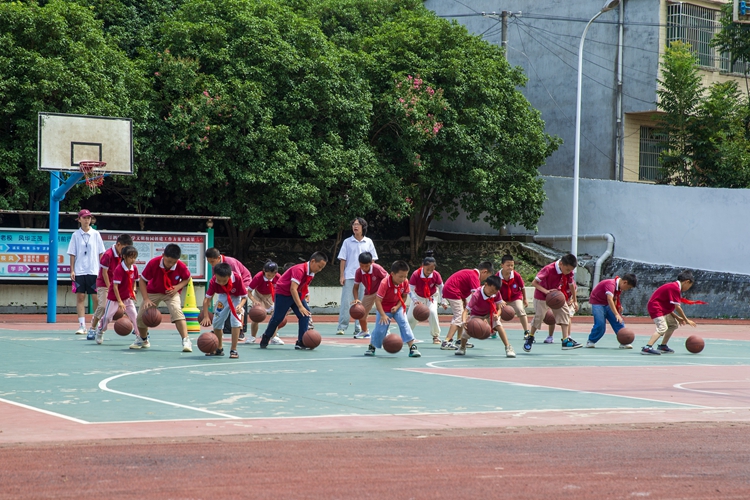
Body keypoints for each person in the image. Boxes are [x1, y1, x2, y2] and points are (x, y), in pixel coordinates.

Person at [259, 252, 328, 350]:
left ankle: (301, 342)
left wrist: (304, 298)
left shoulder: (312, 273)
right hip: (283, 293)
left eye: (322, 268)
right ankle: (266, 336)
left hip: (296, 293)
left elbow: (303, 286)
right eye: (319, 266)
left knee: (305, 315)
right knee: (278, 318)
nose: (319, 270)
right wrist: (300, 306)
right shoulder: (299, 269)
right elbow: (292, 289)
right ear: (313, 261)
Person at [132, 243, 193, 352]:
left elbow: (187, 279)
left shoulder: (181, 266)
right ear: (163, 255)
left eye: (174, 262)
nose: (171, 264)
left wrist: (177, 287)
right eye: (169, 261)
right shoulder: (153, 263)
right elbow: (142, 280)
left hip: (171, 292)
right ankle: (143, 339)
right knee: (141, 316)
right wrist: (146, 299)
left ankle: (186, 340)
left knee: (177, 311)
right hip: (153, 291)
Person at [364, 260, 421, 358]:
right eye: (400, 276)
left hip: (397, 307)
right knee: (380, 329)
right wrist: (383, 315)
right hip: (384, 308)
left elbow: (404, 297)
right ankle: (372, 346)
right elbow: (378, 301)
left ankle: (412, 347)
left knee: (404, 323)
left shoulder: (405, 282)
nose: (403, 279)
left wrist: (397, 307)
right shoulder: (384, 283)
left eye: (405, 276)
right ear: (392, 274)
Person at [524, 254, 580, 352]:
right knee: (539, 317)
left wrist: (575, 300)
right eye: (567, 270)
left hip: (556, 296)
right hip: (541, 295)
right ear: (561, 264)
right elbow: (534, 283)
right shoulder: (548, 269)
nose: (569, 272)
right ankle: (530, 337)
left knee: (565, 313)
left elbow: (571, 285)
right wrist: (546, 291)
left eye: (570, 270)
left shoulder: (569, 271)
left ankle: (565, 340)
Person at [336, 218, 378, 336]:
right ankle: (342, 327)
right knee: (346, 302)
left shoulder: (368, 242)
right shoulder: (347, 242)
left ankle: (359, 328)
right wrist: (342, 275)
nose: (355, 226)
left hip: (365, 277)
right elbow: (343, 259)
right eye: (354, 224)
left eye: (357, 224)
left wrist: (371, 277)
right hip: (350, 275)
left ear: (363, 227)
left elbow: (373, 260)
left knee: (362, 303)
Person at [439, 262, 495, 350]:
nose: (485, 279)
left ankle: (460, 340)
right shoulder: (474, 277)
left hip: (452, 290)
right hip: (452, 291)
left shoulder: (471, 273)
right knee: (459, 317)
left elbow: (460, 284)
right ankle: (446, 341)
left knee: (462, 316)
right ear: (484, 271)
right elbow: (476, 296)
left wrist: (464, 299)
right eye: (487, 276)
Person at [67, 209, 105, 335]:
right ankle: (82, 325)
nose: (87, 220)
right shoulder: (75, 235)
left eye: (89, 218)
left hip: (94, 270)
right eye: (84, 218)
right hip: (79, 271)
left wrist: (102, 270)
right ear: (79, 219)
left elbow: (101, 253)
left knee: (96, 298)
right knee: (80, 297)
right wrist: (72, 270)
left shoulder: (96, 234)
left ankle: (96, 324)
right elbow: (72, 253)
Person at [642, 270, 697, 355]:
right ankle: (647, 347)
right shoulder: (675, 288)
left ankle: (663, 346)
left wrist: (677, 317)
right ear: (687, 282)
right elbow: (677, 307)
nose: (688, 288)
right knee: (662, 327)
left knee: (673, 324)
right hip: (656, 308)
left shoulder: (674, 287)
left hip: (661, 309)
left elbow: (669, 307)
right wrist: (686, 320)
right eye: (690, 286)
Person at [459, 275, 516, 358]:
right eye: (491, 290)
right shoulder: (476, 295)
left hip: (490, 314)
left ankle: (508, 347)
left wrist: (497, 315)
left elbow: (499, 308)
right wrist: (464, 321)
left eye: (495, 291)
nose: (492, 293)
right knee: (467, 331)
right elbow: (466, 311)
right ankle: (462, 347)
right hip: (476, 315)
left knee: (499, 326)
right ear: (486, 284)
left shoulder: (496, 293)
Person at [89, 233, 132, 340]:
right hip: (104, 284)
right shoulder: (108, 255)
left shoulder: (124, 255)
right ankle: (92, 328)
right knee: (103, 306)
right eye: (124, 248)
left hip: (119, 284)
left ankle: (138, 330)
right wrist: (111, 288)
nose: (125, 251)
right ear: (118, 244)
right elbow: (104, 273)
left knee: (129, 306)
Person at [200, 262, 248, 359]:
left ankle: (234, 349)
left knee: (235, 322)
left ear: (229, 276)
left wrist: (240, 306)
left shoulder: (237, 278)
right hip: (222, 297)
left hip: (236, 298)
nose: (221, 283)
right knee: (216, 322)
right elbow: (206, 300)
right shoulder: (213, 281)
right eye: (219, 280)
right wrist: (205, 316)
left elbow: (244, 297)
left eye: (224, 280)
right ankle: (219, 348)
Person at [95, 245, 139, 345]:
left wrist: (133, 291)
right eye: (131, 257)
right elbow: (115, 287)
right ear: (124, 256)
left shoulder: (134, 268)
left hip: (127, 297)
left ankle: (140, 336)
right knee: (107, 317)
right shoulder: (119, 269)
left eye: (135, 257)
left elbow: (134, 282)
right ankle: (100, 331)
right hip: (114, 298)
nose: (133, 260)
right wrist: (119, 301)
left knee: (135, 317)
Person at [205, 248, 252, 339]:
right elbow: (214, 283)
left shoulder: (231, 263)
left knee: (238, 306)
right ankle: (219, 328)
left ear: (218, 258)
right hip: (227, 284)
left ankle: (240, 330)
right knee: (223, 304)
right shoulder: (215, 266)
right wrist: (209, 299)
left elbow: (238, 279)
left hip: (243, 281)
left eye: (212, 261)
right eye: (209, 262)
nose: (211, 264)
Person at [586, 273, 638, 348]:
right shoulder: (610, 284)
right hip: (598, 303)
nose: (627, 289)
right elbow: (609, 299)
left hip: (607, 304)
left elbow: (615, 298)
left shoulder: (619, 287)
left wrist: (618, 307)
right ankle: (591, 341)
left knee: (618, 321)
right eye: (628, 287)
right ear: (625, 282)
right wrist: (616, 314)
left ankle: (624, 342)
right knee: (600, 324)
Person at [407, 254, 444, 344]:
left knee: (432, 312)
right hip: (418, 297)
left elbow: (441, 287)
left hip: (431, 296)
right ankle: (407, 335)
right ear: (423, 265)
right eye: (428, 269)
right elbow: (410, 289)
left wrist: (443, 300)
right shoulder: (416, 274)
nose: (429, 271)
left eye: (432, 269)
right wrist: (415, 300)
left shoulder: (436, 275)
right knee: (410, 318)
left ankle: (435, 336)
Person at [245, 261, 283, 344]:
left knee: (275, 316)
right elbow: (249, 291)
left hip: (270, 295)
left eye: (272, 275)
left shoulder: (278, 277)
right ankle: (252, 337)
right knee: (256, 315)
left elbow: (282, 288)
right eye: (268, 275)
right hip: (259, 295)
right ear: (264, 271)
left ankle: (274, 337)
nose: (270, 277)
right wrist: (254, 301)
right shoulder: (258, 277)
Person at [351, 252, 388, 339]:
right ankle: (364, 331)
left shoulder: (377, 268)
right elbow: (355, 287)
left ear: (371, 263)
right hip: (368, 293)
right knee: (360, 312)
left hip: (380, 292)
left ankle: (386, 331)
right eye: (361, 266)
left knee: (382, 312)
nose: (364, 268)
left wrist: (384, 292)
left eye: (366, 266)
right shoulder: (358, 272)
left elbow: (388, 279)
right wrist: (356, 299)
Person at [495, 254, 529, 339]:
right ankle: (494, 331)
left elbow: (522, 287)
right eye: (508, 265)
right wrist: (500, 300)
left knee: (520, 310)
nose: (510, 267)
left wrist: (525, 299)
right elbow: (495, 290)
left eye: (512, 265)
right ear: (502, 265)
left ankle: (526, 332)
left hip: (515, 297)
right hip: (501, 299)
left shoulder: (516, 275)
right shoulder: (497, 276)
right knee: (495, 314)